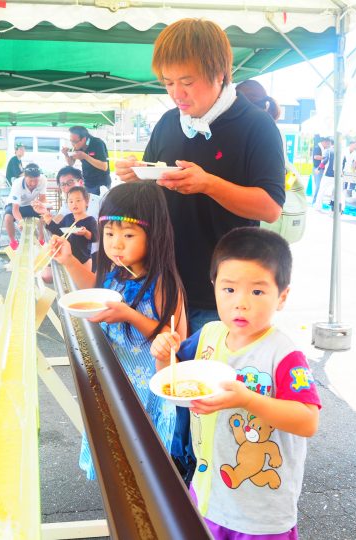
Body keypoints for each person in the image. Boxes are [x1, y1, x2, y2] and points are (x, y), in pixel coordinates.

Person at [115, 18, 285, 335]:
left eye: (187, 81)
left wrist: (208, 184)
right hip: (164, 286)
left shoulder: (256, 126)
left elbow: (270, 207)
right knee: (164, 379)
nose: (176, 93)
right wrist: (137, 176)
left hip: (220, 295)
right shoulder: (168, 122)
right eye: (167, 83)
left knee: (209, 382)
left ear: (219, 73)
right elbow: (153, 188)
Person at [151, 227, 321, 539]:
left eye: (257, 292)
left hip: (259, 512)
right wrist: (164, 354)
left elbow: (308, 421)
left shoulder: (284, 354)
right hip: (207, 492)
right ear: (214, 286)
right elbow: (174, 377)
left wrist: (248, 400)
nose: (240, 303)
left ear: (282, 297)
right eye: (229, 290)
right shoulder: (209, 334)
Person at [50, 181, 188, 480]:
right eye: (109, 234)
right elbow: (94, 291)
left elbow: (177, 336)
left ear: (154, 236)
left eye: (127, 235)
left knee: (145, 463)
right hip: (115, 381)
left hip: (147, 391)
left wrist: (130, 315)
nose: (116, 244)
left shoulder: (162, 281)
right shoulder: (115, 271)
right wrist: (70, 260)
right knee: (116, 458)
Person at [43, 186, 98, 269]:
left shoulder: (90, 220)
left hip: (84, 259)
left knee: (82, 281)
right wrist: (49, 221)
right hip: (68, 257)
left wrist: (86, 233)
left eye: (78, 200)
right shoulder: (68, 217)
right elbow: (59, 231)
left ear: (87, 202)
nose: (74, 204)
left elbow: (95, 238)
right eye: (71, 201)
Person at [3, 163, 45, 250]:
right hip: (15, 205)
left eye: (36, 180)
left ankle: (41, 239)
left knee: (44, 214)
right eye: (30, 180)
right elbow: (15, 210)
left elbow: (43, 199)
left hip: (30, 204)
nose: (33, 183)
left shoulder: (43, 180)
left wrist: (41, 207)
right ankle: (13, 242)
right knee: (7, 218)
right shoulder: (17, 184)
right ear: (24, 177)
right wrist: (21, 222)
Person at [62, 126, 111, 195]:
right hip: (87, 182)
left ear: (84, 139)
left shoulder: (97, 143)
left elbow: (104, 166)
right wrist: (66, 155)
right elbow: (71, 164)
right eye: (71, 141)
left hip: (101, 183)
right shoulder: (78, 146)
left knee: (99, 204)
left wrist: (85, 156)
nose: (73, 144)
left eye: (75, 142)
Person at [311, 137, 331, 205]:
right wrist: (325, 157)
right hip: (317, 168)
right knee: (318, 186)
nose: (328, 145)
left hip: (321, 168)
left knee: (319, 185)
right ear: (324, 142)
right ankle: (314, 201)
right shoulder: (317, 147)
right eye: (327, 143)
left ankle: (316, 201)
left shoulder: (324, 148)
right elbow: (316, 157)